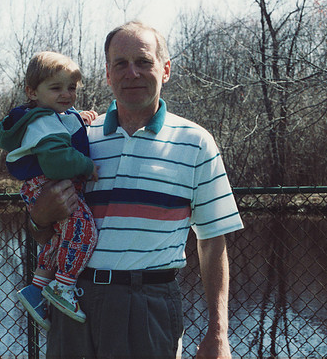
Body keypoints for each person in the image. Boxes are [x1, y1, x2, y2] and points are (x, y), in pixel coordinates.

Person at [29, 22, 244, 359]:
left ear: (165, 69)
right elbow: (49, 232)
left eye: (143, 62)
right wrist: (39, 218)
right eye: (121, 63)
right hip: (72, 299)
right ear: (108, 74)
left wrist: (218, 332)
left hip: (148, 304)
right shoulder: (77, 139)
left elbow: (212, 240)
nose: (132, 73)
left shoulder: (196, 142)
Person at [0, 51, 99, 330]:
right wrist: (87, 165)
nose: (66, 94)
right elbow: (57, 161)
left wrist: (80, 119)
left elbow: (62, 127)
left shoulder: (49, 115)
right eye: (56, 88)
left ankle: (38, 288)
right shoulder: (43, 122)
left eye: (71, 87)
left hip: (39, 187)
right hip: (49, 184)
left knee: (59, 237)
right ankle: (63, 287)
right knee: (84, 231)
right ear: (32, 92)